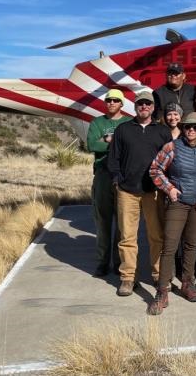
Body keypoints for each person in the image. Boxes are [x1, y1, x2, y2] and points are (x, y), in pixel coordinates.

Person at [148, 112, 196, 315]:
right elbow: (155, 169)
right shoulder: (172, 147)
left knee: (192, 244)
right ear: (183, 128)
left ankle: (187, 283)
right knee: (169, 246)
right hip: (178, 202)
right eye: (188, 127)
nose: (191, 130)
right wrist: (170, 189)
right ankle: (162, 291)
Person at [107, 91, 173, 297]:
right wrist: (117, 180)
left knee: (156, 236)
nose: (144, 106)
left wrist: (167, 186)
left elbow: (170, 160)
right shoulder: (123, 129)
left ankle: (158, 274)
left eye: (148, 104)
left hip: (154, 192)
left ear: (153, 107)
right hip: (127, 190)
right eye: (140, 104)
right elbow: (113, 158)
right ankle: (128, 278)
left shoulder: (162, 132)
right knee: (127, 236)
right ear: (135, 106)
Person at [86, 88, 132, 277]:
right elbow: (92, 144)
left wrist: (107, 140)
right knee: (103, 221)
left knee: (122, 223)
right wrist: (114, 142)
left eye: (115, 100)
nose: (111, 103)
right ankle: (102, 262)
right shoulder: (97, 122)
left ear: (121, 103)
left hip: (122, 175)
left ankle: (119, 262)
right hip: (103, 175)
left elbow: (130, 146)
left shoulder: (129, 122)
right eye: (108, 100)